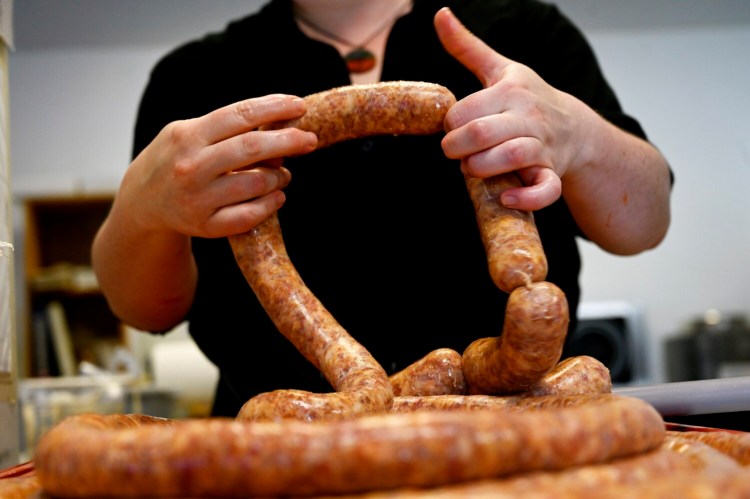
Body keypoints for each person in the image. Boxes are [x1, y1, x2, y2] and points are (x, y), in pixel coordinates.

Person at [92, 0, 673, 417]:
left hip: (525, 422)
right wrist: (142, 208)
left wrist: (581, 134)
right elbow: (145, 309)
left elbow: (644, 224)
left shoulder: (525, 30)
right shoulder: (194, 76)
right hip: (282, 443)